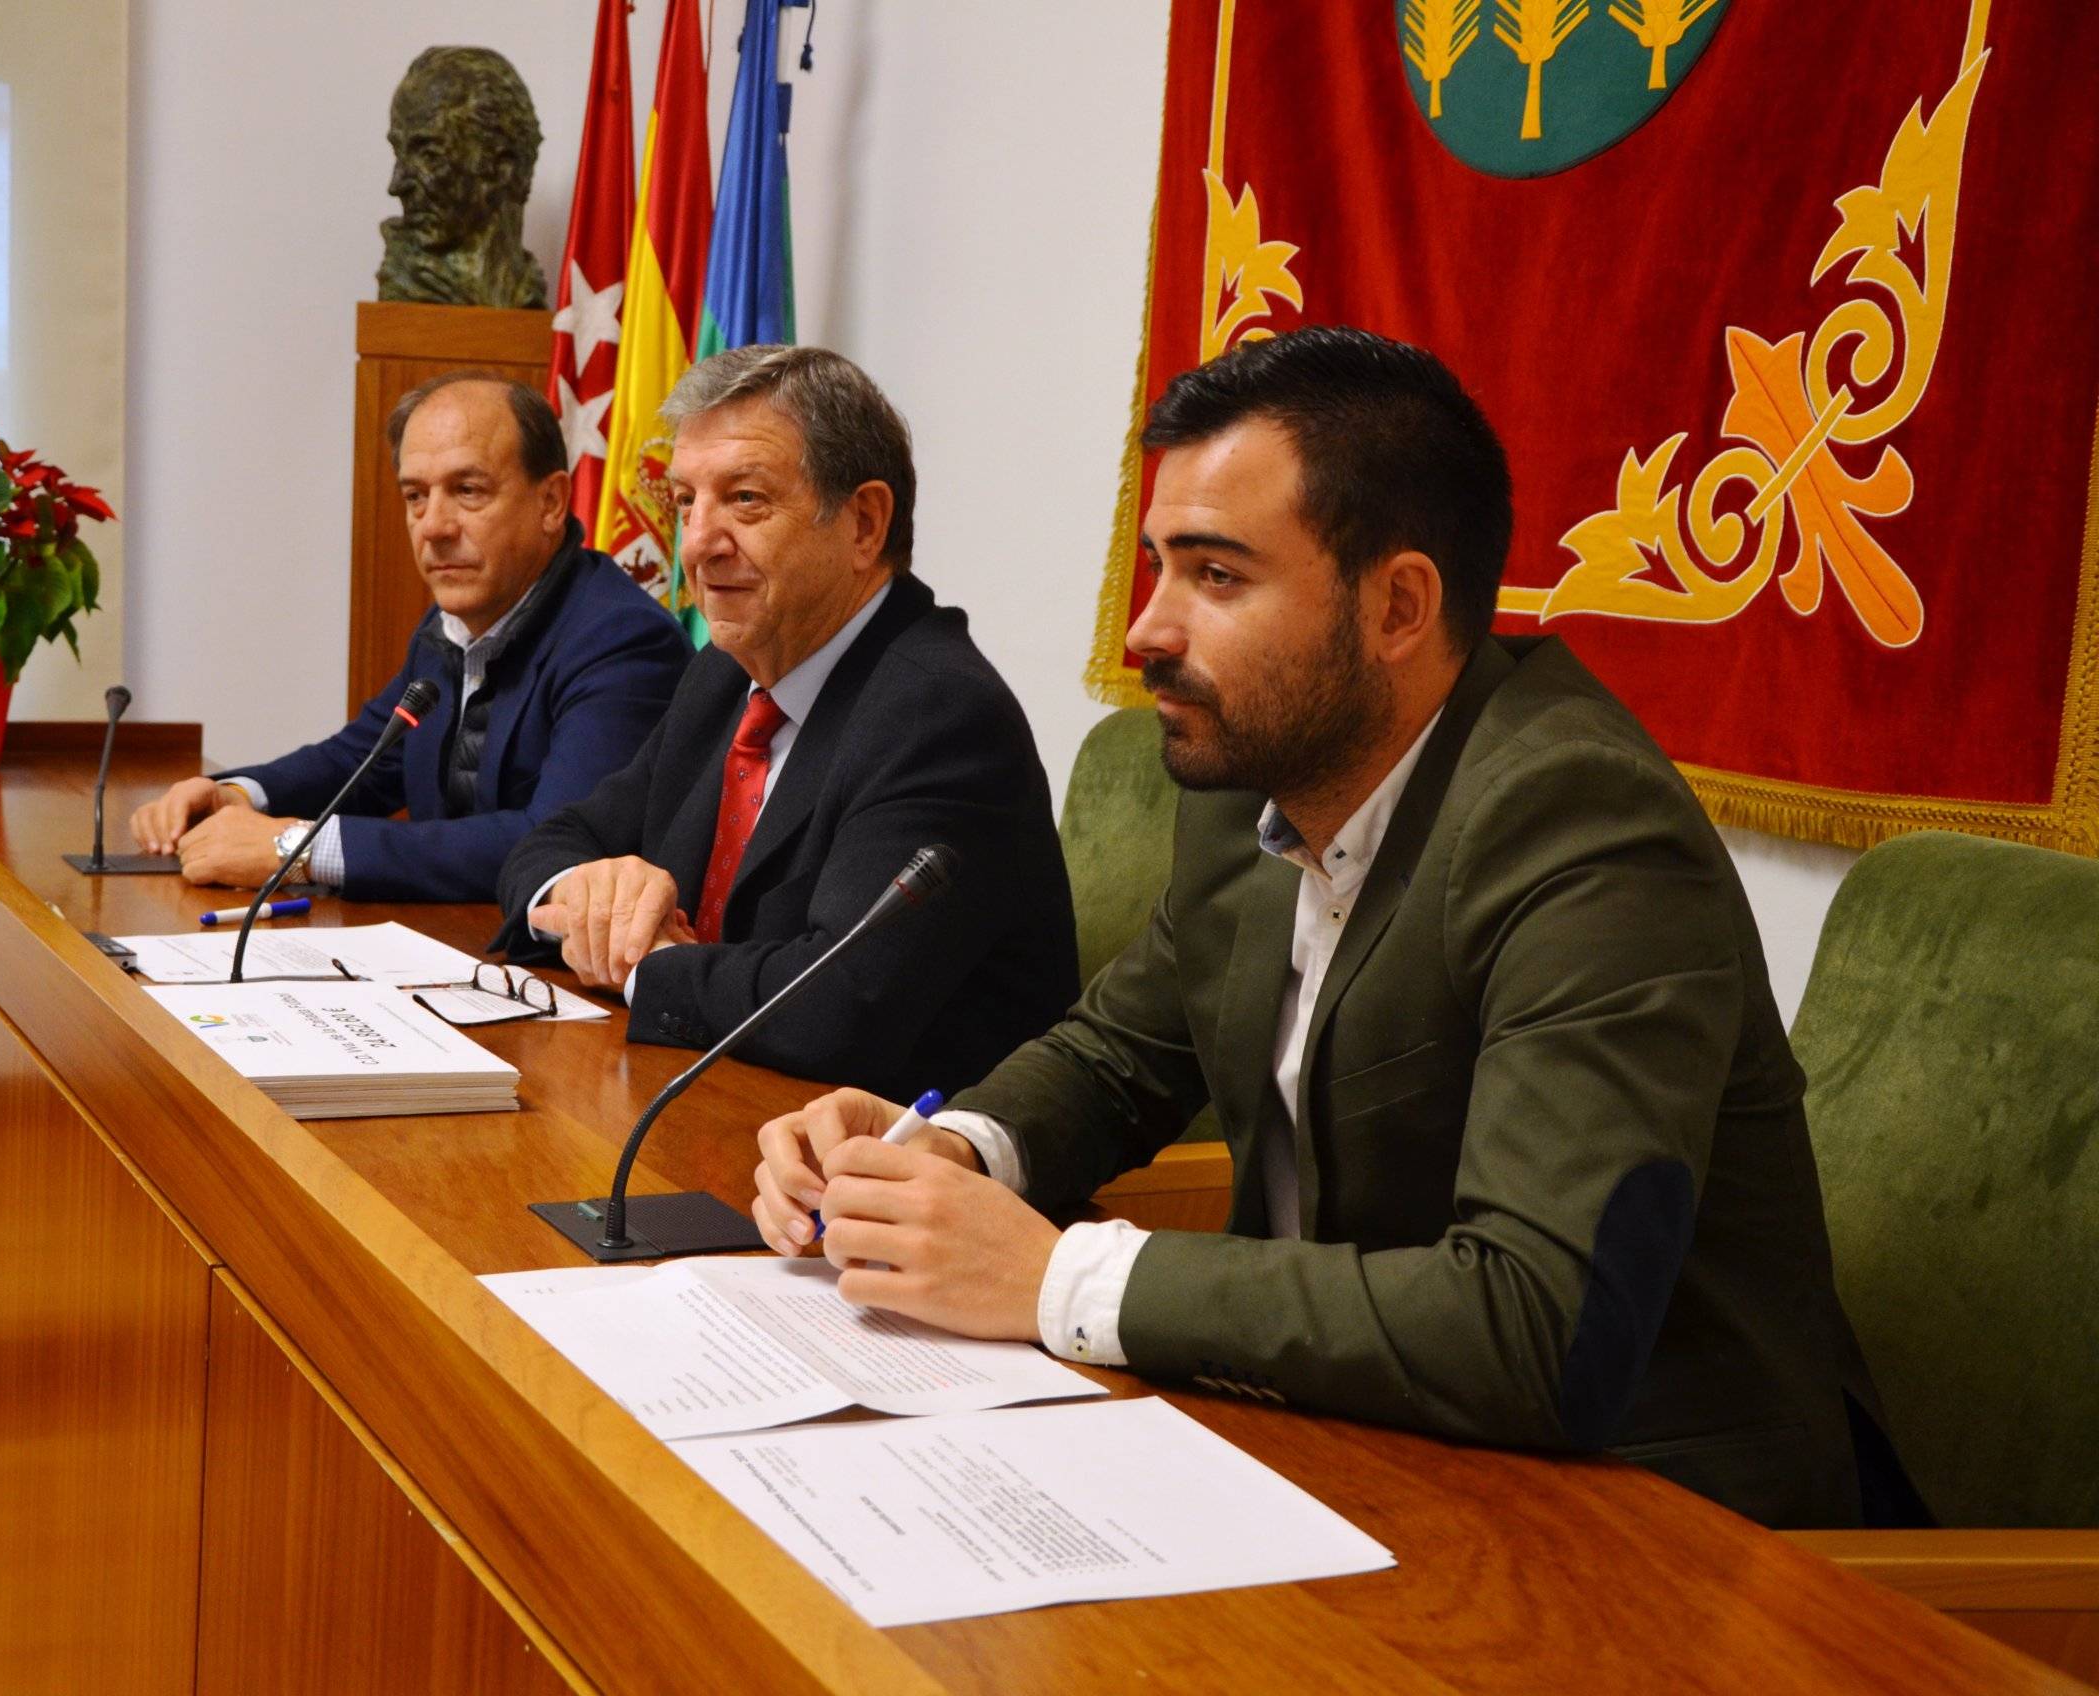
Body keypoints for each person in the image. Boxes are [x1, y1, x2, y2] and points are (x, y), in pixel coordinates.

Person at [749, 327, 1912, 1529]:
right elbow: (1116, 1054)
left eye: (1215, 576)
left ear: (1398, 604)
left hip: (1646, 1522)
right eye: (1156, 568)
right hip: (1339, 1443)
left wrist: (1057, 1275)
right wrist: (945, 1153)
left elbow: (1536, 1324)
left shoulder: (1582, 828)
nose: (1147, 630)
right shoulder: (1260, 780)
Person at [496, 345, 1078, 1099]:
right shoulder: (723, 677)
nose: (698, 545)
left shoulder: (938, 712)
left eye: (744, 500)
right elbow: (547, 844)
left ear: (864, 523)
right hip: (713, 1107)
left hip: (889, 1175)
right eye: (685, 502)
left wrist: (639, 963)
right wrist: (590, 891)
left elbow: (838, 1005)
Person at [131, 375, 690, 902]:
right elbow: (368, 760)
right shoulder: (450, 626)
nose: (434, 526)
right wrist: (236, 794)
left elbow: (553, 844)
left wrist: (298, 849)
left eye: (467, 490)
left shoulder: (622, 641)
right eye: (415, 496)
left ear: (550, 503)